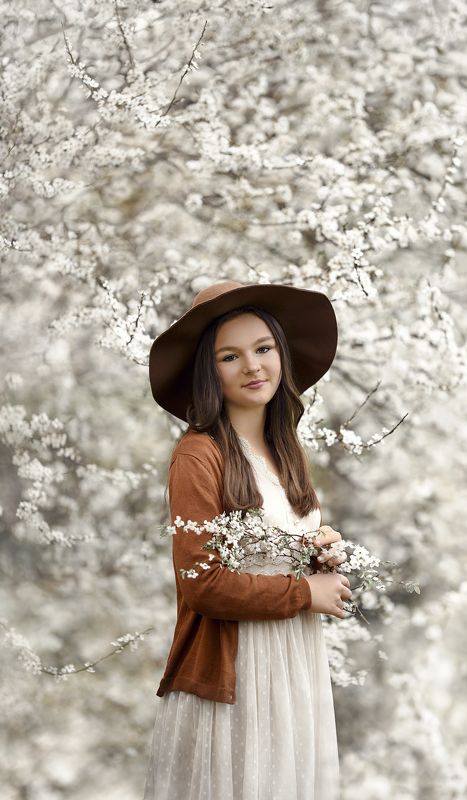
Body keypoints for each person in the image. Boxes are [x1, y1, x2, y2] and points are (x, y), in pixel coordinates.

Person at [143, 279, 352, 800]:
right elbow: (203, 585)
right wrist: (306, 593)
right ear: (208, 372)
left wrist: (318, 551)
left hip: (294, 668)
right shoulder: (198, 456)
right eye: (229, 356)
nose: (253, 366)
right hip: (237, 677)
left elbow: (270, 545)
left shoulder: (285, 448)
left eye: (263, 348)